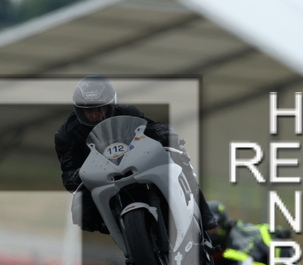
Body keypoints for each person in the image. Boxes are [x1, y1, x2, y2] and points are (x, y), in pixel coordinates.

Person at [54, 75, 216, 233]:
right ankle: (121, 230)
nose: (95, 115)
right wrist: (81, 174)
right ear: (79, 110)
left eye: (99, 109)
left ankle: (205, 215)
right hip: (101, 179)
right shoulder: (66, 134)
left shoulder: (127, 112)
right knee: (82, 212)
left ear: (110, 105)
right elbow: (68, 174)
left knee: (176, 156)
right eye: (89, 111)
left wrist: (165, 132)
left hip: (136, 166)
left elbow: (150, 128)